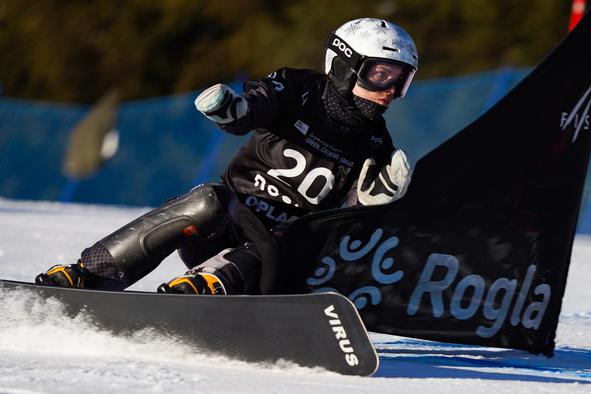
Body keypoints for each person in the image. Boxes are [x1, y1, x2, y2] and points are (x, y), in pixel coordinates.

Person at [35, 17, 418, 295]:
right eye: (381, 74)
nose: (390, 89)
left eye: (402, 80)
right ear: (345, 66)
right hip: (227, 224)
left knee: (285, 240)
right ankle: (90, 275)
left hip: (278, 259)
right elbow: (259, 107)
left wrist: (368, 205)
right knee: (207, 199)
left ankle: (204, 291)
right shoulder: (299, 88)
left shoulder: (376, 146)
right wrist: (236, 112)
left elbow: (345, 235)